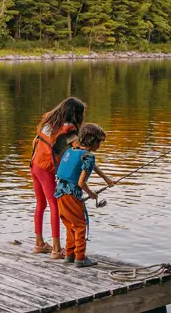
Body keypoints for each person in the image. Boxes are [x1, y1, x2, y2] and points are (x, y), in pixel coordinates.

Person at [30, 97, 85, 258]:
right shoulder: (68, 129)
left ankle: (39, 244)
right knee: (55, 205)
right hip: (46, 169)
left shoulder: (48, 119)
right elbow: (80, 151)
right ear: (75, 114)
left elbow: (36, 140)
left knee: (40, 204)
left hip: (34, 165)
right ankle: (56, 249)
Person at [54, 123, 114, 267]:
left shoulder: (72, 150)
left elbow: (90, 164)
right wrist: (92, 194)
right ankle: (80, 258)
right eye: (99, 141)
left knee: (70, 225)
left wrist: (106, 179)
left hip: (60, 192)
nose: (100, 145)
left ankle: (69, 254)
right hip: (72, 194)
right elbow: (81, 183)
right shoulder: (89, 157)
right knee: (80, 225)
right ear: (92, 141)